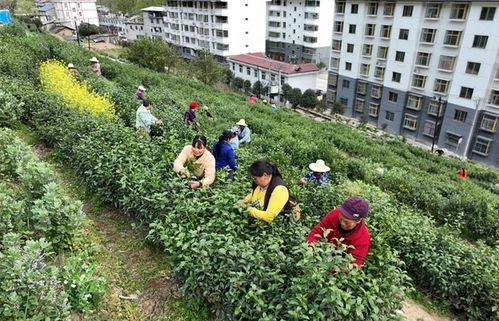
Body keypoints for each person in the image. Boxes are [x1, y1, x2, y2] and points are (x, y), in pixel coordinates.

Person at [306, 196, 370, 266]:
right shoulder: (334, 214)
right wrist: (310, 247)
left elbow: (353, 266)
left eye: (347, 222)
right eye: (341, 218)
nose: (342, 223)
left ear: (358, 220)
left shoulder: (363, 238)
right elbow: (316, 232)